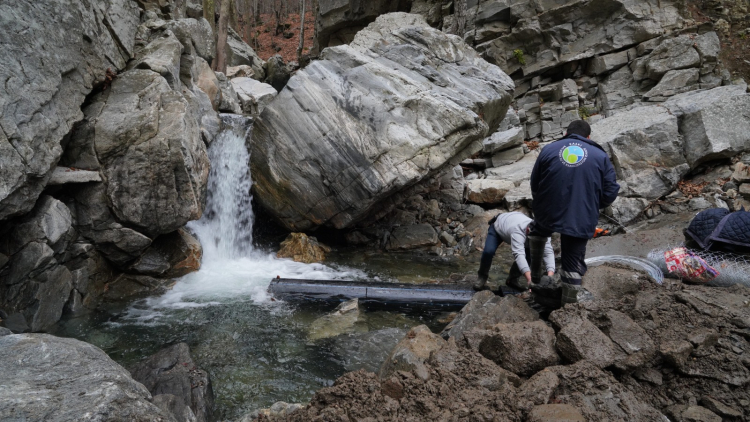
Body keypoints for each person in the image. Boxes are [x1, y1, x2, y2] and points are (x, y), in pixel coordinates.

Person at [529, 119, 620, 305]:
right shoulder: (599, 155)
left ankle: (535, 278)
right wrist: (593, 204)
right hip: (581, 215)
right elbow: (611, 191)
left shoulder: (548, 150)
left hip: (548, 209)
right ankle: (568, 313)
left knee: (538, 232)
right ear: (588, 137)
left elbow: (534, 184)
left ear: (566, 134)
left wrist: (542, 204)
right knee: (572, 264)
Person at [474, 211, 556, 294]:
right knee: (488, 252)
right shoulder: (518, 230)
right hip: (498, 227)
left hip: (515, 225)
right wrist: (530, 281)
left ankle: (512, 280)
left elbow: (548, 253)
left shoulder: (543, 232)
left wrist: (550, 279)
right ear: (528, 231)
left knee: (530, 255)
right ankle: (482, 277)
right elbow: (519, 255)